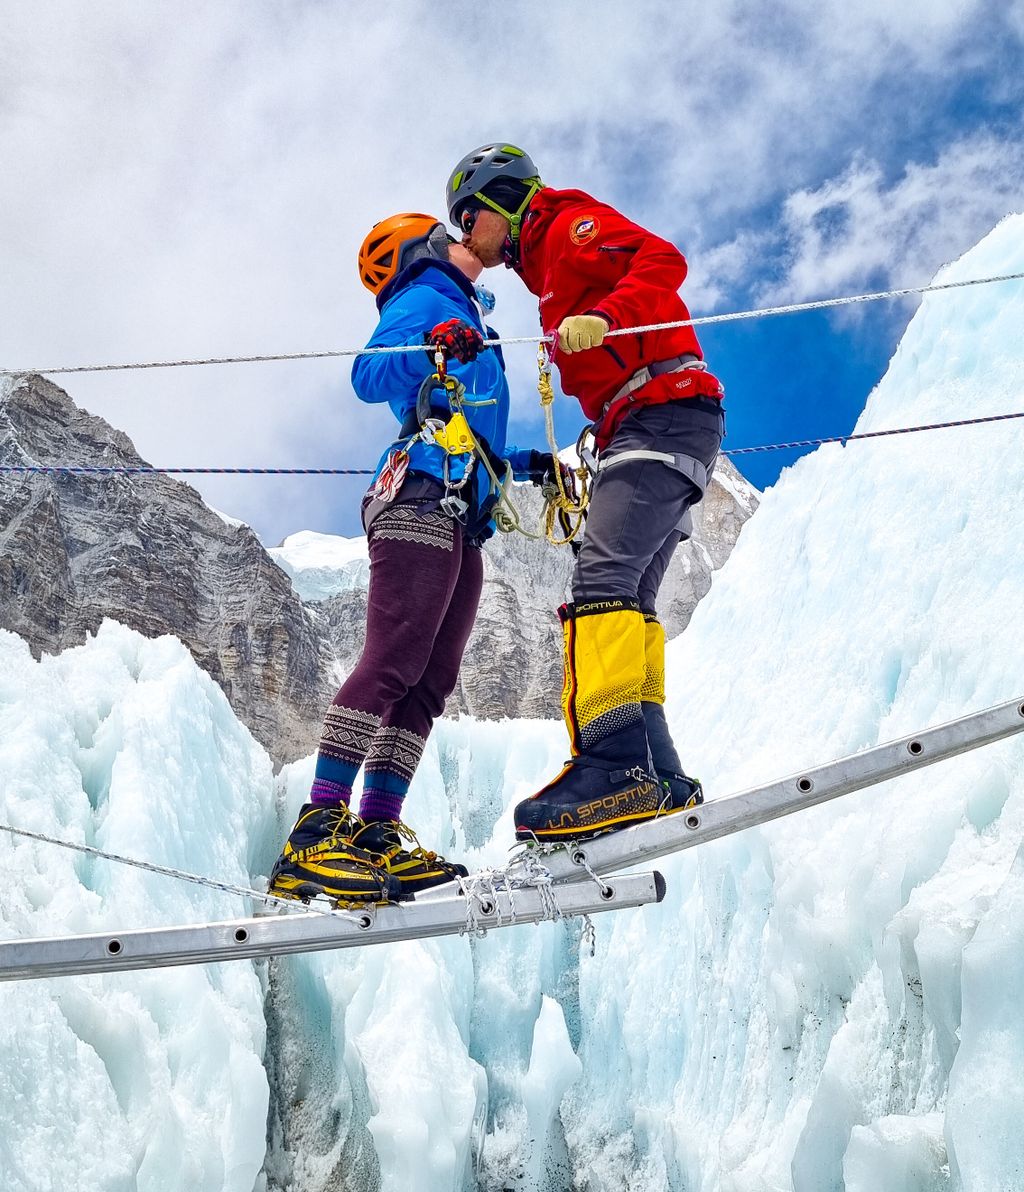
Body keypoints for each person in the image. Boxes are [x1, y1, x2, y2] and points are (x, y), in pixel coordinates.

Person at [270, 212, 555, 902]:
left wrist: (522, 462)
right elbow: (370, 375)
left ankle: (374, 833)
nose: (464, 244)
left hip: (461, 505)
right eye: (450, 236)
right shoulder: (424, 295)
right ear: (422, 249)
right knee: (395, 661)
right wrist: (433, 339)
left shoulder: (461, 315)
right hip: (422, 496)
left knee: (426, 683)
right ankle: (314, 830)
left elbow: (460, 426)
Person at [445, 145, 726, 842]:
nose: (464, 232)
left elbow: (663, 261)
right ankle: (656, 769)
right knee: (630, 599)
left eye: (468, 215)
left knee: (601, 580)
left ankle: (613, 765)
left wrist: (609, 313)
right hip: (662, 421)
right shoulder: (543, 262)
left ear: (502, 201)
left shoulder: (568, 224)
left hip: (656, 414)